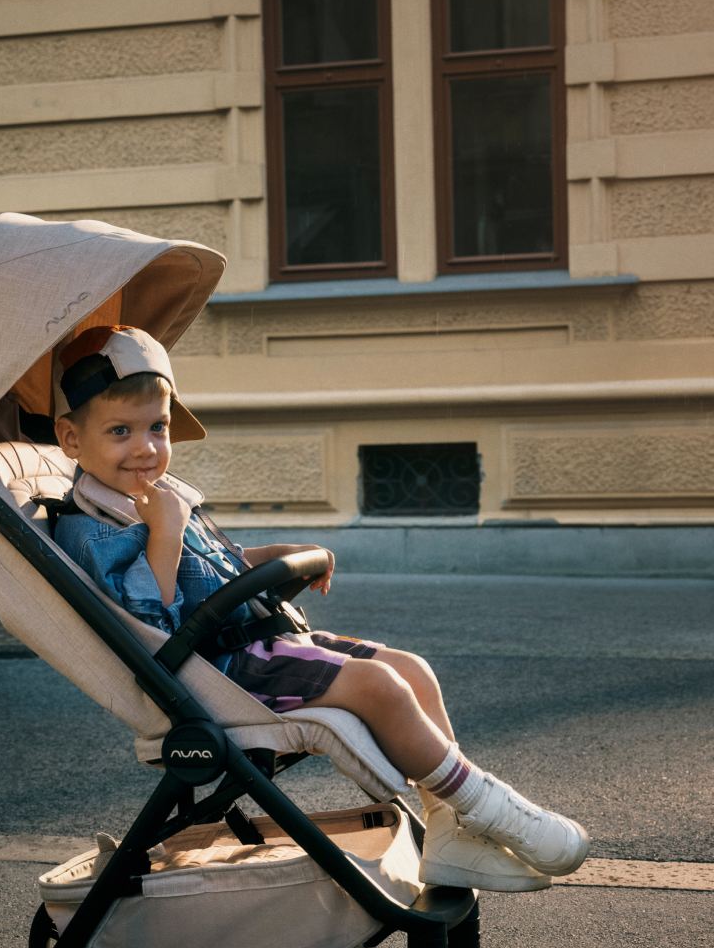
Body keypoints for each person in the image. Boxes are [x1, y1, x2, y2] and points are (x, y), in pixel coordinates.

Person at [50, 324, 590, 893]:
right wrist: (165, 532)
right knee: (378, 688)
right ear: (71, 439)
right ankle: (488, 806)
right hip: (214, 674)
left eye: (158, 427)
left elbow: (205, 566)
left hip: (254, 643)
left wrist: (272, 557)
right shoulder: (92, 529)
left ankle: (449, 832)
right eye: (120, 430)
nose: (146, 446)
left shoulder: (151, 499)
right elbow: (152, 622)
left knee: (409, 669)